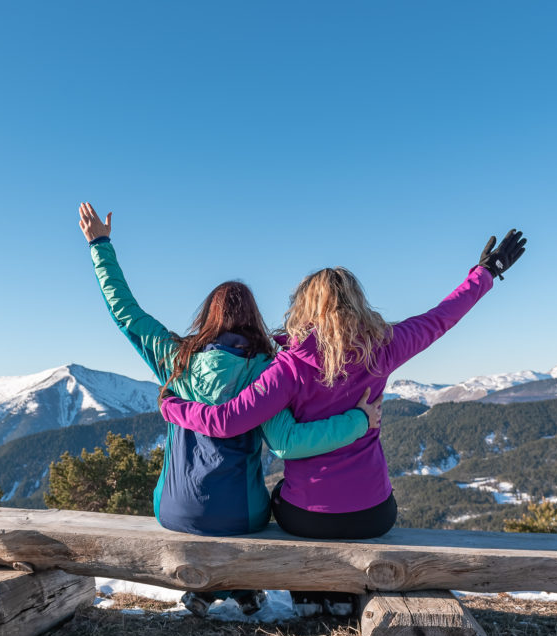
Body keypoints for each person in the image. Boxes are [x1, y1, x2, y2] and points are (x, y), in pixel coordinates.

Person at [78, 203, 381, 615]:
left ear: (207, 317)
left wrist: (100, 244)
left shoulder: (175, 359)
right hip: (241, 516)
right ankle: (244, 589)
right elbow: (287, 441)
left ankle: (219, 590)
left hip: (173, 510)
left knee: (216, 508)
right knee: (276, 503)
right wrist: (359, 420)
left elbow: (125, 310)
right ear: (254, 321)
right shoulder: (267, 370)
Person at [158, 230, 526, 548]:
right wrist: (486, 273)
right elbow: (441, 317)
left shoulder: (288, 366)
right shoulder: (384, 346)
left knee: (276, 502)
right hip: (375, 515)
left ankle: (310, 596)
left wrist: (173, 407)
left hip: (308, 517)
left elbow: (226, 421)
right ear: (356, 301)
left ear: (303, 305)